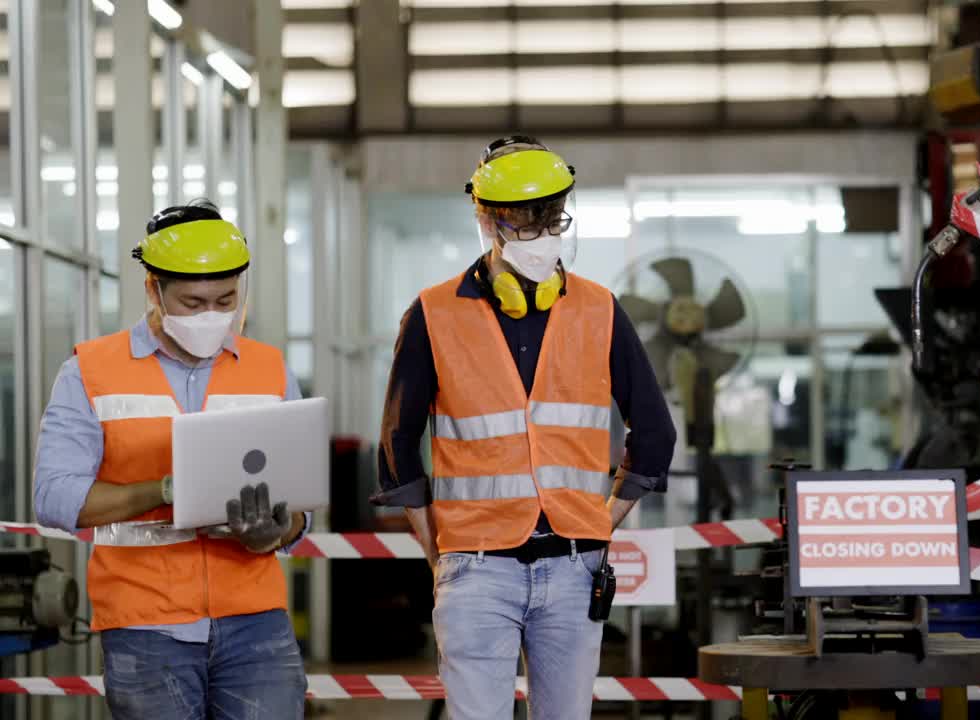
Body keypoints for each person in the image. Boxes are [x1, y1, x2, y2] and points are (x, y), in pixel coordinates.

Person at [374, 135, 676, 720]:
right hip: (475, 568)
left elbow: (656, 436)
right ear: (486, 220)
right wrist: (441, 555)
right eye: (523, 223)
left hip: (571, 564)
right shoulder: (434, 313)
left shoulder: (599, 308)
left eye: (550, 219)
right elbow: (395, 448)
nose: (540, 235)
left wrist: (598, 521)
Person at [34, 200, 311, 719]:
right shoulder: (89, 371)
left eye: (225, 299)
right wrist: (162, 492)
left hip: (256, 622)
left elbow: (299, 507)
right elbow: (54, 497)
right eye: (192, 302)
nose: (211, 315)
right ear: (152, 290)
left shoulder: (271, 370)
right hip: (146, 626)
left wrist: (273, 531)